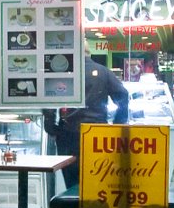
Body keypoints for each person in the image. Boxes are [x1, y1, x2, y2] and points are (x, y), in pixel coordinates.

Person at [43, 55, 129, 188]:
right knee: (97, 178)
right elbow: (123, 95)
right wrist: (118, 123)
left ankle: (74, 200)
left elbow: (49, 98)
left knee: (72, 182)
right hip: (97, 132)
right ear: (88, 53)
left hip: (68, 134)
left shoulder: (63, 72)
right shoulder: (103, 72)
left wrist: (51, 126)